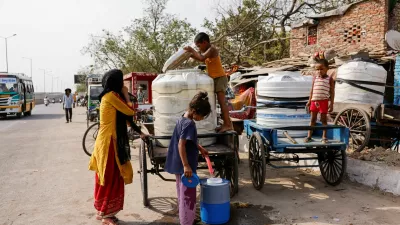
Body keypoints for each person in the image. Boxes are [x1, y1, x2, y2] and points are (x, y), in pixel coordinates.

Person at [88, 69, 146, 225]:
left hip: (113, 142)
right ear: (117, 83)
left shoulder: (114, 98)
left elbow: (125, 118)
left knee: (115, 177)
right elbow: (130, 111)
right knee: (108, 177)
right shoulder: (111, 97)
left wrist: (141, 133)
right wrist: (126, 94)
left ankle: (109, 213)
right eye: (122, 82)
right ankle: (105, 215)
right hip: (108, 143)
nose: (123, 84)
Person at [164, 91, 211, 225]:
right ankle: (186, 221)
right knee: (188, 196)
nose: (202, 119)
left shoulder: (183, 117)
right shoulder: (190, 124)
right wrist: (186, 165)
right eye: (202, 116)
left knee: (182, 192)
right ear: (196, 111)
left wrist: (199, 147)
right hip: (186, 166)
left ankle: (186, 217)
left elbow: (188, 140)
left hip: (179, 163)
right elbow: (181, 144)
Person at [184, 32, 233, 133]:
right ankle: (225, 124)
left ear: (205, 42)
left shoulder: (212, 49)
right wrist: (189, 54)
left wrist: (192, 50)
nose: (198, 48)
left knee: (222, 102)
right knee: (218, 103)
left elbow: (201, 58)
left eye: (199, 46)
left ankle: (227, 125)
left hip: (220, 78)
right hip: (215, 79)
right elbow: (200, 58)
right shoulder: (207, 51)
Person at [304, 58, 335, 144]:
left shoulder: (329, 79)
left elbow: (332, 92)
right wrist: (309, 101)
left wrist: (331, 104)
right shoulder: (315, 78)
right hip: (314, 101)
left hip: (323, 101)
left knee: (323, 120)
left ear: (327, 69)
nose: (319, 71)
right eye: (317, 69)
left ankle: (324, 137)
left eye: (322, 69)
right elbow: (312, 90)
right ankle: (309, 135)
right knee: (312, 119)